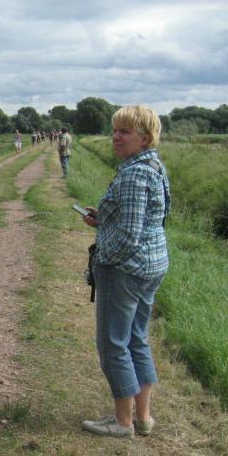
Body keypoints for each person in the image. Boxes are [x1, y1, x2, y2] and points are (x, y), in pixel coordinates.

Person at [79, 105, 171, 438]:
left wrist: (101, 260)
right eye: (115, 130)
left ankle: (122, 422)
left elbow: (130, 236)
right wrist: (104, 218)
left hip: (126, 271)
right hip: (151, 264)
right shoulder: (153, 166)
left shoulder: (133, 174)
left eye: (125, 132)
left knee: (113, 344)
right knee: (136, 339)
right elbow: (146, 219)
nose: (116, 137)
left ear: (145, 138)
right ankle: (143, 418)